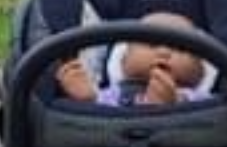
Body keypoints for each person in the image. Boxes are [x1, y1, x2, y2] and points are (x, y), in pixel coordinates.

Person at [54, 10, 214, 106]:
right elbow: (99, 112)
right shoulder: (113, 93)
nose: (164, 52)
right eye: (151, 44)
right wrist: (87, 97)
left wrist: (175, 102)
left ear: (201, 68)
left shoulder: (201, 99)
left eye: (179, 48)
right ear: (123, 60)